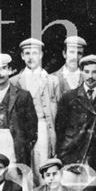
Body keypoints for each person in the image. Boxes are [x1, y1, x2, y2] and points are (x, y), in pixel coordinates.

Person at [55, 55, 96, 173]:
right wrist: (63, 154)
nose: (90, 76)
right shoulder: (68, 98)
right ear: (81, 72)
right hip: (71, 156)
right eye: (86, 71)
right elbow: (60, 129)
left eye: (95, 72)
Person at [11, 38, 60, 183]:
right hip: (22, 129)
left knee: (43, 165)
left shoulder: (52, 80)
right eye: (27, 53)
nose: (31, 57)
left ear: (41, 55)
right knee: (24, 167)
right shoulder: (15, 81)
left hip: (43, 126)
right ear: (22, 56)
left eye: (34, 53)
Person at [0, 53, 38, 171]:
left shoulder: (23, 96)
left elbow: (32, 128)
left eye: (3, 68)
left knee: (15, 178)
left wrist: (22, 144)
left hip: (14, 144)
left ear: (10, 70)